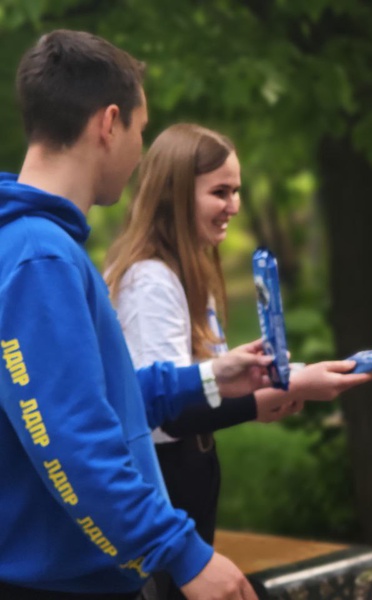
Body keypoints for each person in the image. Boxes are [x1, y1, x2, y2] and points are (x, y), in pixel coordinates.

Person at [0, 30, 271, 600]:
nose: (140, 152)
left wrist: (211, 381)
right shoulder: (39, 258)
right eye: (141, 132)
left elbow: (103, 398)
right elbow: (72, 438)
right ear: (108, 123)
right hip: (59, 585)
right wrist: (182, 551)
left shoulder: (45, 248)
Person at [104, 123, 372, 599]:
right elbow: (167, 409)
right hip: (159, 494)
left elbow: (201, 387)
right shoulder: (149, 281)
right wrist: (280, 392)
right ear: (174, 194)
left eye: (237, 191)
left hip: (188, 487)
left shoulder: (191, 271)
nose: (235, 206)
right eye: (220, 192)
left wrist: (264, 391)